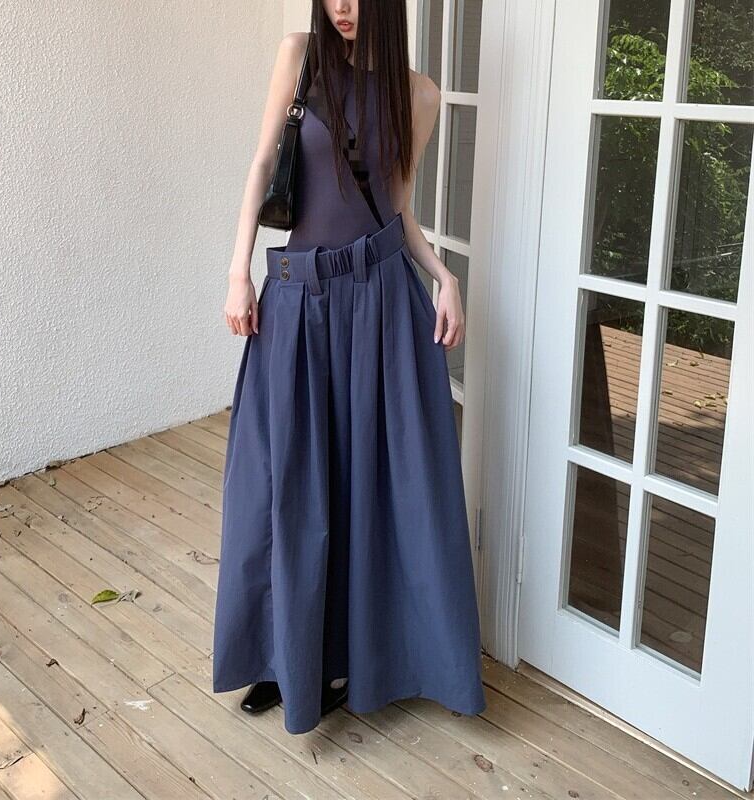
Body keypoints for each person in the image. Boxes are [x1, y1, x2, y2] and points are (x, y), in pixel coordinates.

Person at [212, 0, 486, 735]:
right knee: (285, 482)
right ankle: (285, 655)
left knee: (371, 483)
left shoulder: (419, 94)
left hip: (382, 302)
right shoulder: (299, 56)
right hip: (299, 301)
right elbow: (263, 162)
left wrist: (444, 276)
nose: (342, 5)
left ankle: (351, 660)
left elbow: (396, 208)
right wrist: (239, 272)